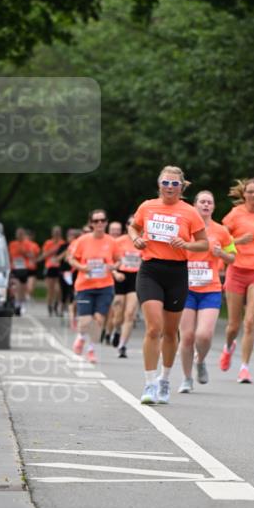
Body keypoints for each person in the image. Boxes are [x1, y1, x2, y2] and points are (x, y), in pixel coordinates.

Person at [129, 165, 208, 404]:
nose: (170, 187)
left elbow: (203, 244)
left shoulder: (190, 212)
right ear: (159, 184)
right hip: (150, 270)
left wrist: (185, 244)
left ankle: (165, 379)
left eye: (175, 184)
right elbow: (134, 226)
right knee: (154, 328)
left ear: (181, 187)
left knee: (171, 332)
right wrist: (136, 239)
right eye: (166, 182)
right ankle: (149, 384)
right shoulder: (147, 206)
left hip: (176, 272)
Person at [177, 191, 236, 392]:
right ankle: (186, 379)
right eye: (202, 201)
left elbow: (232, 257)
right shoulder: (184, 229)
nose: (205, 205)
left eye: (209, 202)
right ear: (194, 205)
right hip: (186, 288)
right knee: (186, 337)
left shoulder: (221, 231)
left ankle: (200, 361)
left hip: (210, 288)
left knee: (204, 335)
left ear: (213, 207)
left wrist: (221, 254)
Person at [220, 178, 254, 384]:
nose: (253, 195)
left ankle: (244, 367)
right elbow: (221, 240)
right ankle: (228, 347)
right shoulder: (235, 215)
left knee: (250, 321)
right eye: (249, 192)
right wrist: (238, 241)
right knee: (233, 325)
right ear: (244, 195)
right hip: (236, 270)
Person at [68, 209, 119, 364]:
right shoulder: (83, 240)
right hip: (85, 286)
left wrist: (113, 266)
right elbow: (71, 259)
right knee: (85, 321)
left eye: (102, 220)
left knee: (98, 319)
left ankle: (91, 350)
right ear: (91, 223)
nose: (99, 223)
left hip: (105, 286)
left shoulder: (111, 241)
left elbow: (118, 260)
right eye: (96, 221)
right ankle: (81, 337)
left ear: (106, 222)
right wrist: (82, 268)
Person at [111, 217, 142, 358]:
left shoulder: (143, 241)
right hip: (120, 276)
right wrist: (115, 272)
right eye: (130, 224)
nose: (134, 226)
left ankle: (122, 345)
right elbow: (109, 261)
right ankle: (117, 329)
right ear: (127, 226)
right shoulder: (118, 242)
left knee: (130, 313)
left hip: (135, 277)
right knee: (118, 314)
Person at [8, 227, 36, 315]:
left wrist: (24, 252)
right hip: (15, 267)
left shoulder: (28, 244)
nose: (19, 236)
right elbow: (10, 255)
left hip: (24, 268)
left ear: (23, 235)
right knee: (16, 286)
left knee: (22, 288)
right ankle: (17, 303)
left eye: (21, 234)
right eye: (18, 234)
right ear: (16, 235)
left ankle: (21, 304)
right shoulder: (12, 244)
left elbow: (32, 256)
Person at [41, 225, 67, 316]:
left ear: (60, 233)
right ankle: (49, 306)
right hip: (50, 266)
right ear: (52, 233)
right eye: (55, 232)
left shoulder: (63, 243)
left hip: (59, 267)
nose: (56, 234)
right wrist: (53, 251)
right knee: (50, 289)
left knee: (58, 289)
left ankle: (56, 303)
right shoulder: (48, 243)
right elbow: (44, 255)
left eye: (58, 232)